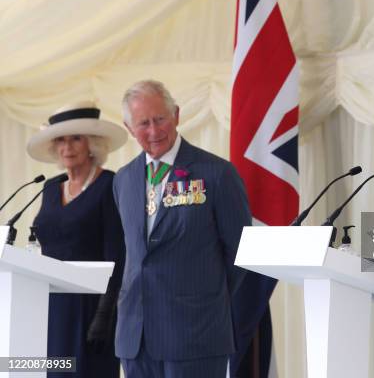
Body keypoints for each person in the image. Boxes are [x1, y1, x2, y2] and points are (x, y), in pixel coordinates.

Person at [113, 80, 251, 378]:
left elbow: (240, 253)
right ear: (128, 127)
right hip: (135, 336)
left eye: (160, 119)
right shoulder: (123, 179)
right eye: (143, 123)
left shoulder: (217, 173)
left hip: (195, 333)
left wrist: (203, 297)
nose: (153, 131)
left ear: (176, 114)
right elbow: (133, 253)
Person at [28, 101, 127, 378]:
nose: (67, 147)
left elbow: (117, 253)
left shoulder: (109, 184)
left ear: (92, 144)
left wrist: (105, 315)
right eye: (60, 140)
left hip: (92, 308)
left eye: (75, 139)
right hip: (52, 305)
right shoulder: (49, 188)